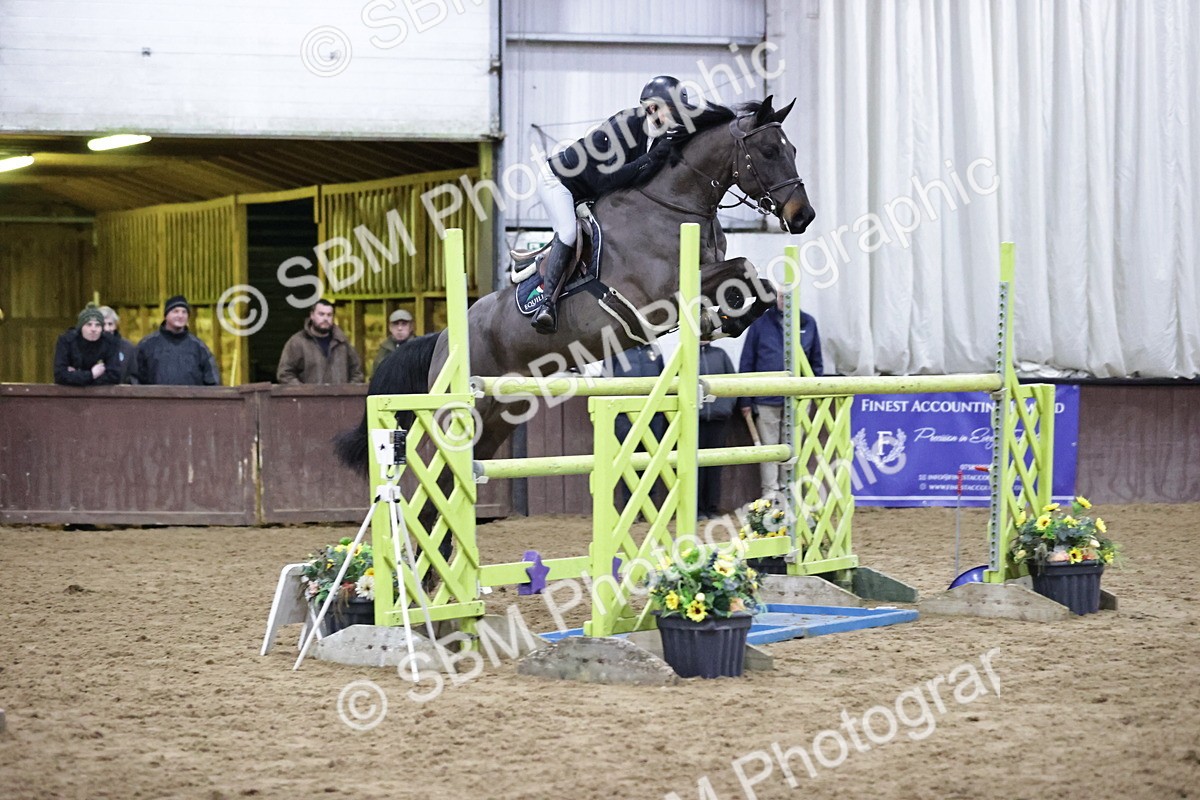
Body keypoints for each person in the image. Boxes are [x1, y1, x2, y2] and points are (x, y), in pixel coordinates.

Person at [531, 75, 695, 334]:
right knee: (568, 232)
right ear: (652, 108)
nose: (676, 120)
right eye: (672, 112)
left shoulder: (658, 136)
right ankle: (547, 304)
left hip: (590, 190)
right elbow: (608, 180)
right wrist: (651, 159)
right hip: (559, 182)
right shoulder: (623, 127)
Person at [737, 290, 824, 501]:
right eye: (781, 295)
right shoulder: (760, 323)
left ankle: (789, 491)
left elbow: (816, 364)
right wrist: (745, 398)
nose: (783, 300)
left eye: (788, 296)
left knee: (793, 447)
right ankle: (770, 494)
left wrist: (812, 393)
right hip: (766, 397)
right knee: (768, 450)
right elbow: (747, 360)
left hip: (798, 399)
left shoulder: (808, 323)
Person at [604, 342, 668, 510]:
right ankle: (630, 507)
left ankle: (649, 508)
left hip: (653, 415)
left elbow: (664, 378)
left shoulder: (655, 350)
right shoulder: (616, 349)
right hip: (625, 416)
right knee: (627, 462)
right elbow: (605, 382)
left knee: (652, 461)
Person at [136, 295, 220, 386]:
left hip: (190, 400)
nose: (180, 316)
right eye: (175, 311)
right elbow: (134, 377)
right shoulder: (147, 345)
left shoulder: (199, 347)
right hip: (156, 400)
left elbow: (212, 380)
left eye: (184, 312)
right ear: (166, 315)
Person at [277, 299, 364, 385]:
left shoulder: (343, 342)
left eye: (329, 315)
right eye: (321, 314)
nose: (325, 318)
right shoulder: (297, 342)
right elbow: (285, 373)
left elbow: (357, 373)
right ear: (312, 315)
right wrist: (303, 393)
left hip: (339, 398)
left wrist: (347, 392)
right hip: (308, 398)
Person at [698, 339, 736, 518]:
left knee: (714, 466)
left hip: (718, 419)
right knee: (695, 466)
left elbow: (732, 382)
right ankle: (697, 508)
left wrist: (726, 406)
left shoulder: (720, 355)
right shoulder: (684, 356)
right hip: (695, 419)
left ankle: (712, 507)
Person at [53, 303, 121, 387]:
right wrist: (92, 374)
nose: (93, 329)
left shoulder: (110, 342)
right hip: (71, 395)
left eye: (97, 325)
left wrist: (76, 376)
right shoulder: (67, 341)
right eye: (89, 324)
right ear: (81, 327)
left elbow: (114, 376)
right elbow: (60, 375)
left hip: (101, 395)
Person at [98, 305, 139, 384]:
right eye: (103, 324)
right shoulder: (89, 345)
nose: (107, 329)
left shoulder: (127, 347)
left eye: (110, 324)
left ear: (116, 325)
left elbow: (134, 376)